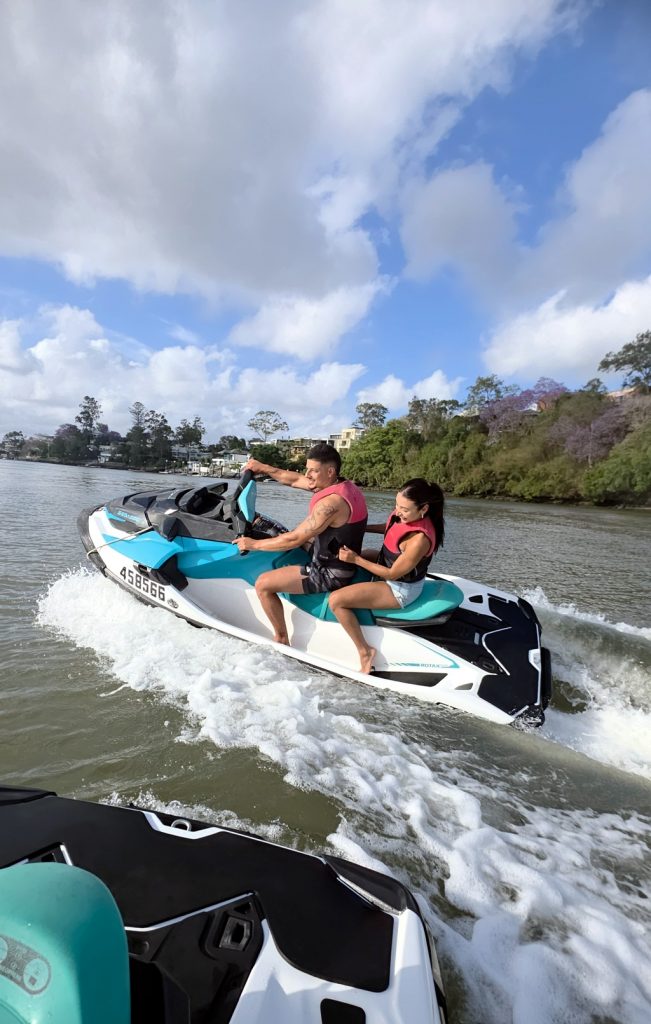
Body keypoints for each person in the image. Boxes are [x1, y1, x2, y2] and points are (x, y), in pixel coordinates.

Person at [233, 443, 368, 645]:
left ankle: (281, 638)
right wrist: (262, 467)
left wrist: (252, 544)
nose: (308, 474)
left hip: (331, 572)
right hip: (332, 554)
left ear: (330, 471)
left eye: (313, 470)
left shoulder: (330, 504)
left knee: (263, 585)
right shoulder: (342, 486)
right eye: (308, 469)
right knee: (274, 529)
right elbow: (295, 479)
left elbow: (295, 539)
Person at [328, 479, 445, 674]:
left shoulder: (419, 540)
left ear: (423, 509)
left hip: (399, 588)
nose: (398, 511)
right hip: (385, 563)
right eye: (397, 505)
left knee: (336, 601)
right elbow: (390, 526)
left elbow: (393, 574)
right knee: (359, 553)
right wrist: (359, 527)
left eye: (404, 509)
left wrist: (356, 560)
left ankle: (365, 651)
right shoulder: (403, 516)